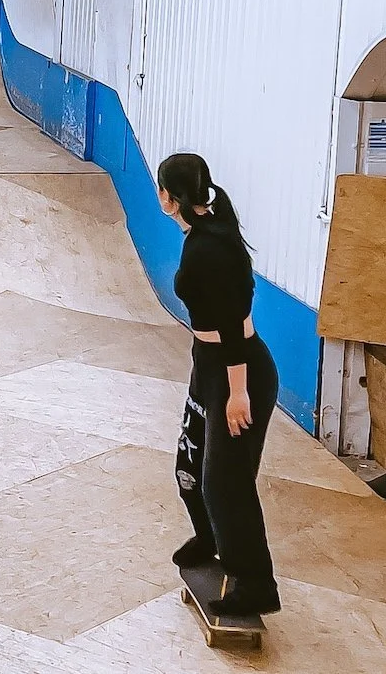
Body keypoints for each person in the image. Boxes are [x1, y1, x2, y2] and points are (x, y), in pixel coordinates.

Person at [158, 152, 281, 618]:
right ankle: (211, 537)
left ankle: (257, 583)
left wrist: (237, 391)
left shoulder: (211, 247)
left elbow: (231, 322)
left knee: (227, 484)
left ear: (170, 198)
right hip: (210, 366)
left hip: (238, 371)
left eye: (161, 190)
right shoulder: (206, 233)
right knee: (191, 467)